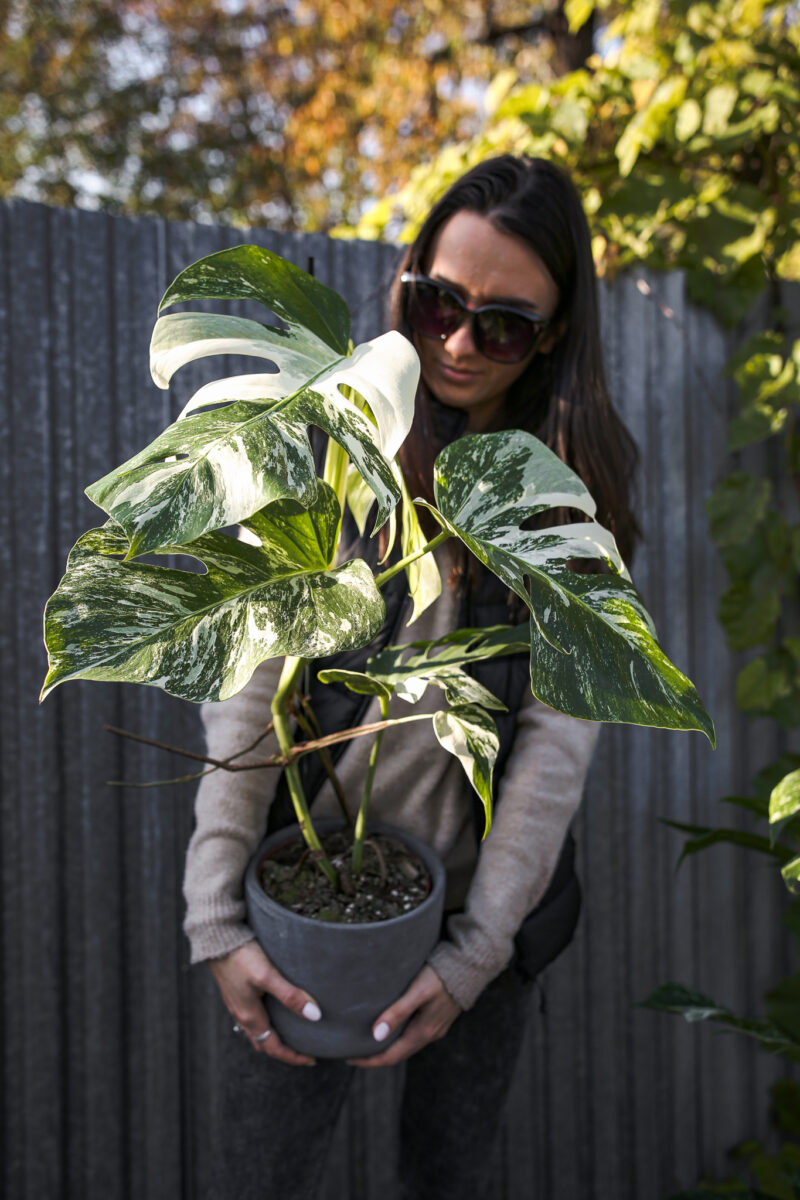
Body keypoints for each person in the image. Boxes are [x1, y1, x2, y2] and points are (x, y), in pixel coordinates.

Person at [183, 154, 640, 1200]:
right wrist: (214, 915)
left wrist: (473, 955)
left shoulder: (567, 505)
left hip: (487, 915)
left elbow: (554, 752)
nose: (456, 343)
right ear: (408, 282)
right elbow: (247, 690)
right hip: (305, 901)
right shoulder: (335, 441)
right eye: (438, 302)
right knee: (258, 1173)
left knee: (447, 1174)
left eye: (503, 324)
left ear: (554, 334)